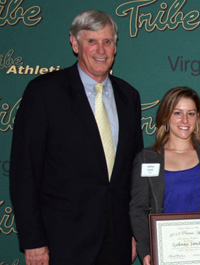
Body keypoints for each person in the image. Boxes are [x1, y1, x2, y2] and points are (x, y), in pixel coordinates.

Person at [9, 10, 143, 265]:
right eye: (91, 41)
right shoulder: (44, 92)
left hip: (117, 241)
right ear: (74, 43)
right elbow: (24, 172)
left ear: (115, 46)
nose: (101, 50)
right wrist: (33, 240)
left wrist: (135, 232)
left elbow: (133, 174)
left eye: (107, 41)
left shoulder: (129, 97)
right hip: (61, 241)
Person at [130, 87, 200, 265]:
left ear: (198, 118)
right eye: (177, 112)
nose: (185, 120)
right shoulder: (146, 158)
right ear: (165, 117)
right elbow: (138, 209)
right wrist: (146, 250)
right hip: (164, 253)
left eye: (191, 113)